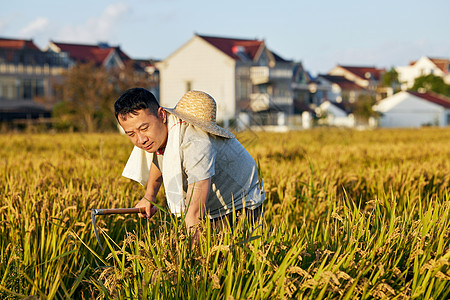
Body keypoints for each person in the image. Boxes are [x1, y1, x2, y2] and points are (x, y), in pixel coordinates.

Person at [114, 88, 264, 236]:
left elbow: (195, 213)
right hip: (212, 203)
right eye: (131, 134)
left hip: (241, 205)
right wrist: (149, 196)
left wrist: (189, 257)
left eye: (144, 128)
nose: (140, 140)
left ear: (161, 115)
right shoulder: (163, 133)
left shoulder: (196, 143)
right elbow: (161, 158)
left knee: (225, 255)